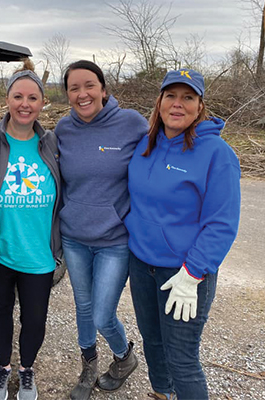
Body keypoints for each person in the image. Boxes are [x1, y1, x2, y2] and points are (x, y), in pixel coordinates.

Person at [125, 69, 241, 400]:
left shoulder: (217, 155)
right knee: (153, 344)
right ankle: (162, 393)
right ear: (159, 101)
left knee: (182, 359)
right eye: (171, 96)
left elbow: (221, 223)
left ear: (200, 106)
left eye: (187, 97)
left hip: (185, 273)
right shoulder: (146, 144)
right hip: (141, 266)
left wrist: (192, 275)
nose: (178, 104)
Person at [55, 60, 148, 400]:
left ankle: (124, 358)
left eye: (89, 85)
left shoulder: (132, 124)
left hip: (114, 240)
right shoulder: (63, 130)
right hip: (75, 237)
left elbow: (163, 148)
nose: (82, 94)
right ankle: (89, 365)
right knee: (82, 306)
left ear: (104, 89)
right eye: (74, 88)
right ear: (67, 94)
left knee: (102, 312)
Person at [0, 59, 61, 400]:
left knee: (35, 319)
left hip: (39, 253)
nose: (25, 104)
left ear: (42, 103)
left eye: (33, 98)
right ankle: (2, 368)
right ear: (7, 100)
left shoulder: (53, 142)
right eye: (18, 96)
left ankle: (26, 370)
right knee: (0, 313)